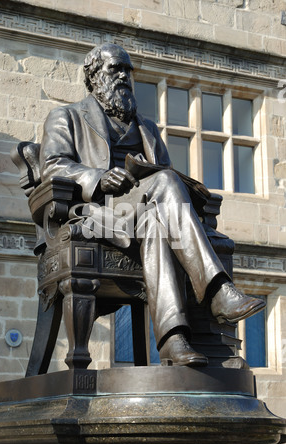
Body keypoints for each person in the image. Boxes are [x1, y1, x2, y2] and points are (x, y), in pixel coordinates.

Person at [40, 43, 265, 367]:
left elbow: (166, 178)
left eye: (127, 70)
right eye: (115, 68)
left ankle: (173, 339)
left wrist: (150, 173)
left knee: (158, 213)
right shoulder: (67, 116)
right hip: (100, 211)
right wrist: (98, 177)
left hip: (144, 213)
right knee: (165, 185)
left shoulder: (147, 128)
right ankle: (217, 290)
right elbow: (53, 165)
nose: (124, 76)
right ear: (93, 76)